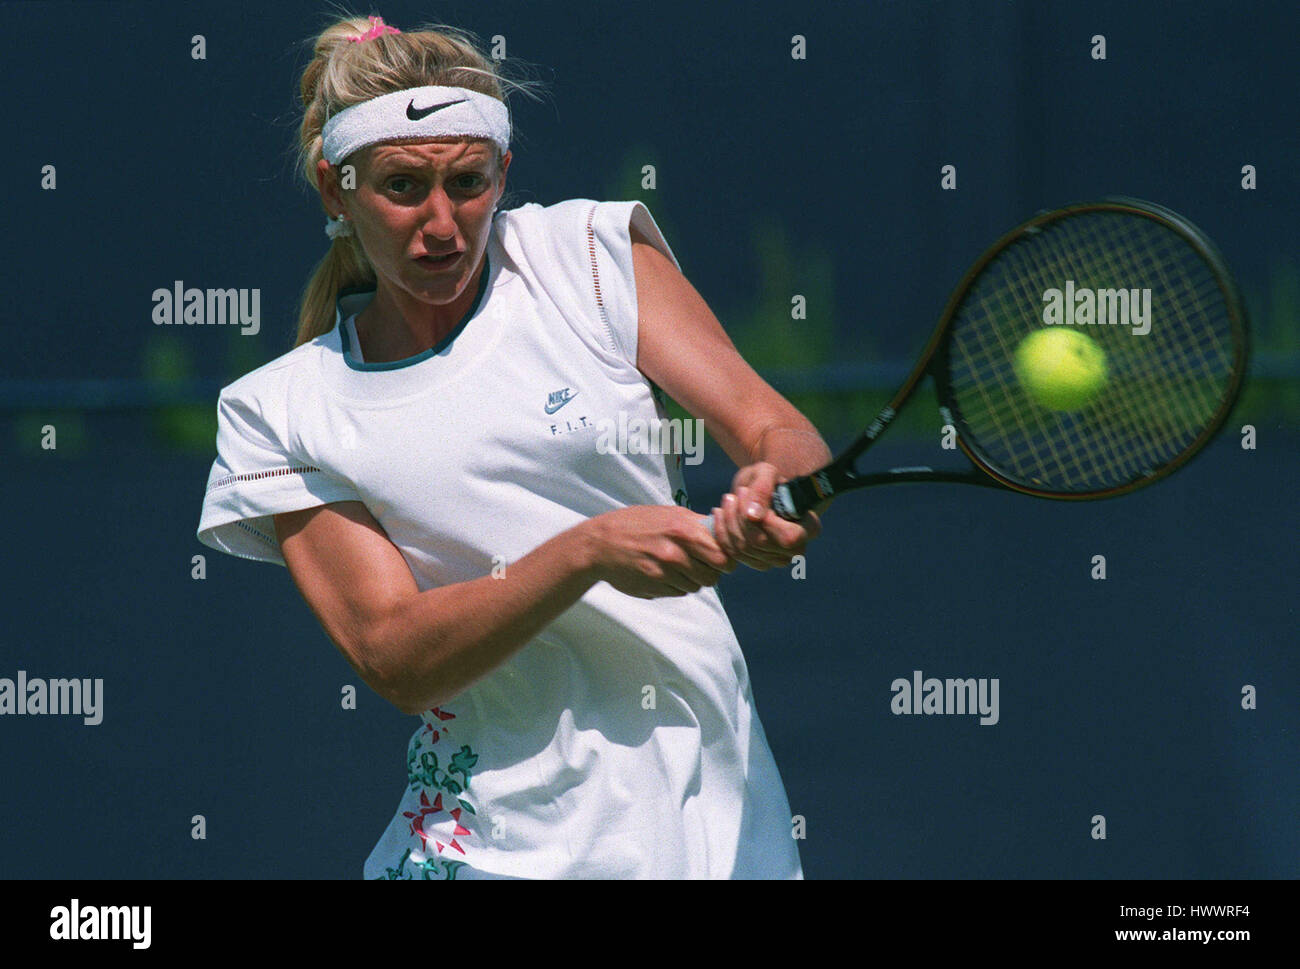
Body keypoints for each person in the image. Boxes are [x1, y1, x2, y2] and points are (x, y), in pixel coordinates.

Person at [196, 13, 831, 879]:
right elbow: (393, 654)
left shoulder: (587, 257)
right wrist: (590, 550)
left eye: (468, 181)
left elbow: (775, 427)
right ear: (334, 191)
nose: (443, 222)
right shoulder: (278, 411)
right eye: (402, 186)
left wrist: (778, 487)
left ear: (504, 172)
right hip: (478, 849)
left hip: (711, 826)